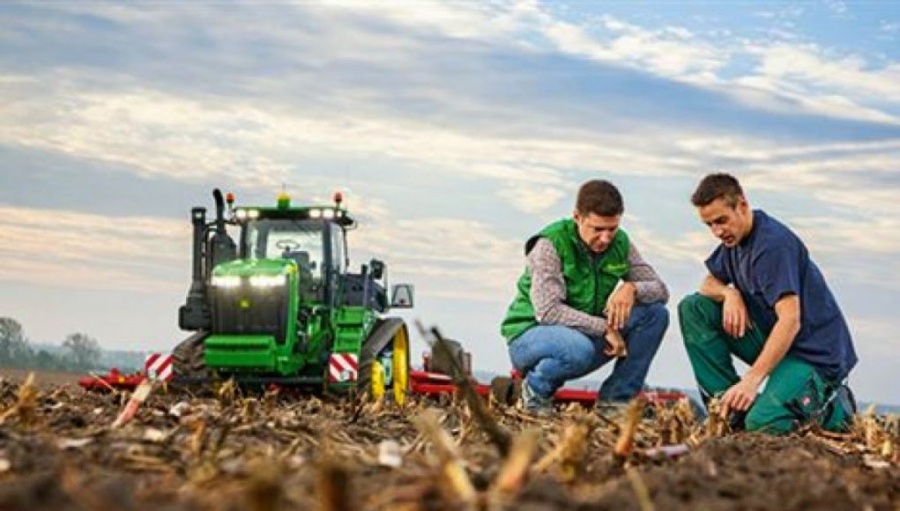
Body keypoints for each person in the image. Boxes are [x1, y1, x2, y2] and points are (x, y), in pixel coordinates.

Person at [679, 173, 857, 434]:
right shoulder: (733, 241)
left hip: (813, 355)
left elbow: (791, 320)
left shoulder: (773, 246)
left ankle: (835, 410)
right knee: (694, 308)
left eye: (721, 221)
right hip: (776, 341)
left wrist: (751, 380)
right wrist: (729, 294)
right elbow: (707, 284)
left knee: (762, 423)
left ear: (742, 206)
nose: (717, 231)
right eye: (709, 225)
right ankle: (729, 410)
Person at [500, 179, 670, 416]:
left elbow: (660, 291)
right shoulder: (549, 244)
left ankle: (615, 402)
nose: (606, 238)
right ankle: (534, 392)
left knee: (655, 314)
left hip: (584, 336)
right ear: (577, 217)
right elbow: (548, 312)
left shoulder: (620, 243)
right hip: (531, 337)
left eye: (612, 229)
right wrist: (604, 328)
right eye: (597, 229)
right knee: (577, 348)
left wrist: (632, 288)